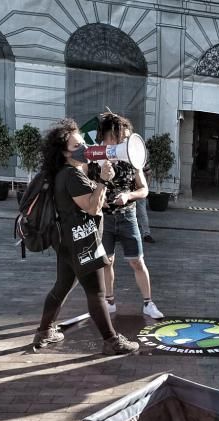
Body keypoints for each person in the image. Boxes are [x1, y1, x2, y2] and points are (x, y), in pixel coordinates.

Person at [33, 119, 139, 355]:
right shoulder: (71, 176)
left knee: (60, 288)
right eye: (76, 146)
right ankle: (112, 341)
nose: (83, 148)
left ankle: (44, 331)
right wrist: (102, 180)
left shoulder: (65, 173)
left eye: (83, 143)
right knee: (97, 293)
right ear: (64, 153)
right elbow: (92, 207)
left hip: (66, 241)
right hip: (83, 242)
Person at [94, 112, 165, 320]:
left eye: (126, 138)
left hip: (127, 217)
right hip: (104, 219)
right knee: (107, 262)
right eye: (119, 137)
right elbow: (86, 186)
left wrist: (128, 195)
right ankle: (110, 301)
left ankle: (148, 303)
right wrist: (99, 198)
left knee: (137, 262)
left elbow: (144, 190)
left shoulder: (132, 160)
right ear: (106, 137)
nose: (124, 142)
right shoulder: (95, 158)